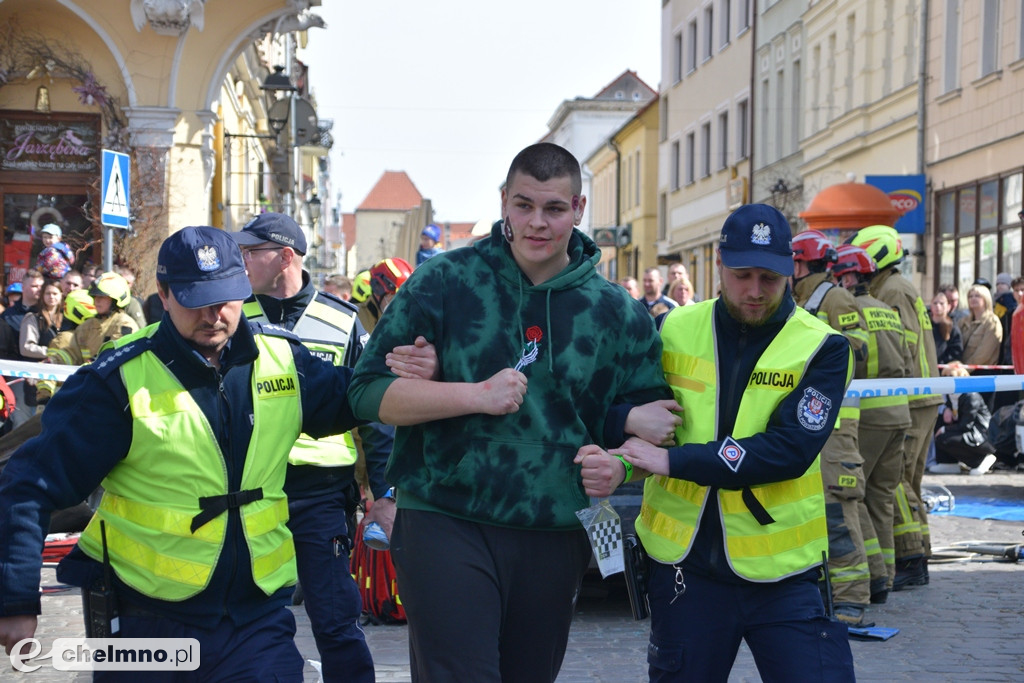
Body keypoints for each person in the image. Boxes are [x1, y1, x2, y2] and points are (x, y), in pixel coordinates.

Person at [348, 142, 674, 682]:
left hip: (553, 527)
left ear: (579, 208)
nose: (537, 223)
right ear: (503, 201)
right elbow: (364, 394)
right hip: (444, 514)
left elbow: (653, 424)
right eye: (523, 206)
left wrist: (621, 467)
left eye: (553, 209)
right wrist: (473, 394)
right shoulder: (445, 282)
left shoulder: (618, 312)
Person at [0, 226, 365, 679]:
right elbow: (28, 486)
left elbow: (361, 398)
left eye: (227, 297)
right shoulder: (117, 380)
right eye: (197, 300)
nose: (214, 314)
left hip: (254, 620)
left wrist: (416, 364)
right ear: (164, 293)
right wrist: (14, 598)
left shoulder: (283, 360)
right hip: (144, 623)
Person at [611, 203, 855, 682]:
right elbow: (619, 406)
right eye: (742, 275)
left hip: (783, 574)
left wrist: (671, 459)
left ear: (791, 271)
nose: (755, 291)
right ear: (719, 263)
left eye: (770, 277)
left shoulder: (822, 347)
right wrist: (626, 428)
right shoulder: (675, 327)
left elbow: (788, 450)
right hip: (684, 568)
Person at [230, 213, 395, 682]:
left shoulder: (343, 322)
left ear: (284, 257)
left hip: (321, 495)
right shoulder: (234, 316)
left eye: (250, 252)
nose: (241, 261)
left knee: (336, 620)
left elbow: (374, 413)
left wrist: (384, 495)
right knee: (256, 618)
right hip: (251, 491)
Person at [849, 225, 941, 591]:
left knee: (898, 482)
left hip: (912, 393)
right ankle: (915, 555)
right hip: (916, 393)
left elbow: (896, 346)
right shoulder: (894, 286)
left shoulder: (891, 290)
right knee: (904, 483)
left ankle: (912, 558)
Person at [790, 230, 872, 625]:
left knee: (838, 509)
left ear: (801, 262)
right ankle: (834, 591)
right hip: (813, 424)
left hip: (836, 426)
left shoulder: (835, 297)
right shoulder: (800, 300)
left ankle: (852, 600)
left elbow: (860, 354)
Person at [833, 244, 914, 605]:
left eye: (838, 276)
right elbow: (909, 361)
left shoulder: (851, 309)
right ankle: (889, 576)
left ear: (849, 276)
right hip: (900, 413)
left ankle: (874, 575)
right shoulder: (887, 310)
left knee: (856, 498)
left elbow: (856, 364)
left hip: (868, 415)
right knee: (882, 498)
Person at [928, 362, 998, 476]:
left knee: (944, 436)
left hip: (981, 435)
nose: (947, 379)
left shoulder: (971, 396)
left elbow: (966, 425)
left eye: (951, 376)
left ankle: (981, 460)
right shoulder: (951, 396)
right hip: (967, 432)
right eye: (945, 376)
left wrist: (945, 429)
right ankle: (949, 463)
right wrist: (946, 410)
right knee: (940, 432)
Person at [0, 269, 44, 429]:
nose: (38, 289)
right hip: (17, 376)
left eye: (40, 286)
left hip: (46, 375)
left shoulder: (47, 313)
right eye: (33, 286)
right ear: (23, 287)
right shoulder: (8, 316)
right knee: (21, 423)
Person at [958, 283, 1002, 367]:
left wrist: (966, 368)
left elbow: (984, 353)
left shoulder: (992, 322)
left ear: (986, 299)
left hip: (982, 372)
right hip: (962, 371)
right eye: (970, 296)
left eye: (977, 296)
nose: (973, 298)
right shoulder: (963, 322)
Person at [930, 291, 963, 364]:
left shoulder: (952, 327)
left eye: (942, 303)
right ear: (931, 306)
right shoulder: (926, 325)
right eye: (935, 303)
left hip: (944, 369)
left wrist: (943, 363)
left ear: (948, 307)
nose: (938, 306)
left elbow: (956, 351)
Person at [1011, 277, 1024, 374]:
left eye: (1022, 290)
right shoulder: (1010, 314)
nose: (1020, 294)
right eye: (1016, 290)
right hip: (1016, 364)